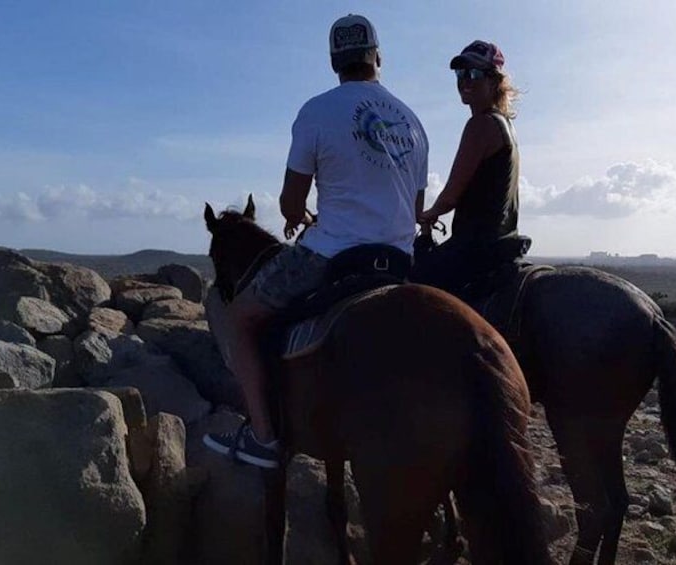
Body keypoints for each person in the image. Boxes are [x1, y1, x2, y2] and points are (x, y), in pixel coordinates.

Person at [203, 14, 429, 468]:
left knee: (239, 317)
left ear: (334, 63)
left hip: (333, 255)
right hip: (400, 261)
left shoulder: (317, 110)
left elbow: (291, 202)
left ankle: (263, 439)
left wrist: (299, 216)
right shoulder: (412, 121)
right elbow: (416, 202)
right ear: (378, 58)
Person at [411, 40, 523, 293]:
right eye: (460, 74)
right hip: (501, 243)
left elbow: (450, 197)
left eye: (474, 73)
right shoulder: (505, 125)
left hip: (475, 248)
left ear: (494, 82)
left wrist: (427, 214)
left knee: (412, 287)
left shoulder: (480, 126)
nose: (465, 81)